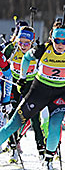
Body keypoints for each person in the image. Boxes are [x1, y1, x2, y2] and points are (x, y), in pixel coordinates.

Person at [0, 21, 65, 170]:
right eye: (57, 40)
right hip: (39, 92)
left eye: (64, 41)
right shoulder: (43, 49)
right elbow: (27, 58)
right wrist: (22, 78)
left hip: (60, 94)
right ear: (52, 39)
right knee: (13, 124)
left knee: (55, 126)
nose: (60, 44)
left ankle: (48, 162)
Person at [2, 25, 46, 162]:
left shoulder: (36, 51)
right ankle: (13, 148)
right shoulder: (13, 48)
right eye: (20, 42)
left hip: (31, 85)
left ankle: (42, 151)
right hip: (14, 83)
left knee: (35, 120)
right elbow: (2, 61)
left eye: (26, 43)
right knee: (11, 115)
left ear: (32, 42)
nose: (23, 45)